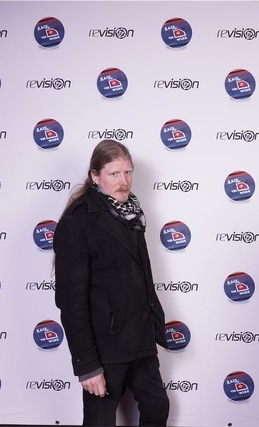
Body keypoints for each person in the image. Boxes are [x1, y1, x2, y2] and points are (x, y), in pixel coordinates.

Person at [53, 139, 170, 427]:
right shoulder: (77, 220)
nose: (123, 181)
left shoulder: (133, 212)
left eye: (127, 172)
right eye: (114, 173)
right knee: (100, 421)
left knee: (157, 408)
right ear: (95, 176)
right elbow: (71, 300)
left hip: (141, 339)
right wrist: (87, 365)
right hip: (105, 347)